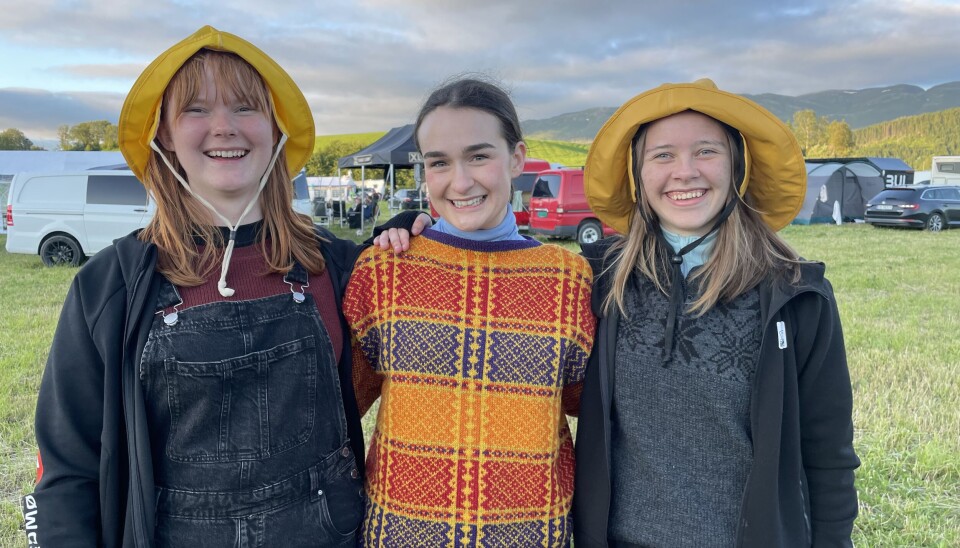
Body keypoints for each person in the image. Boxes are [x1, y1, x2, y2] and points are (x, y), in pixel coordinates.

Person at [22, 25, 426, 547]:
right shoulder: (110, 288)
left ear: (275, 129)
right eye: (195, 110)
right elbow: (67, 467)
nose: (224, 127)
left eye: (244, 108)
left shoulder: (341, 266)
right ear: (162, 136)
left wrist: (423, 238)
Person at [572, 79, 860, 547]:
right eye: (662, 155)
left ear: (738, 167)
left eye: (706, 152)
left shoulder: (796, 296)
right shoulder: (600, 279)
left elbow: (828, 455)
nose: (685, 172)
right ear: (637, 176)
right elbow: (504, 271)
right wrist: (416, 233)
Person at [343, 77, 596, 547]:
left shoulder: (569, 278)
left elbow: (591, 406)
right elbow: (340, 408)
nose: (460, 182)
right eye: (439, 163)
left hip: (531, 532)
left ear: (516, 159)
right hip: (402, 532)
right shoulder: (383, 270)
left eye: (479, 156)